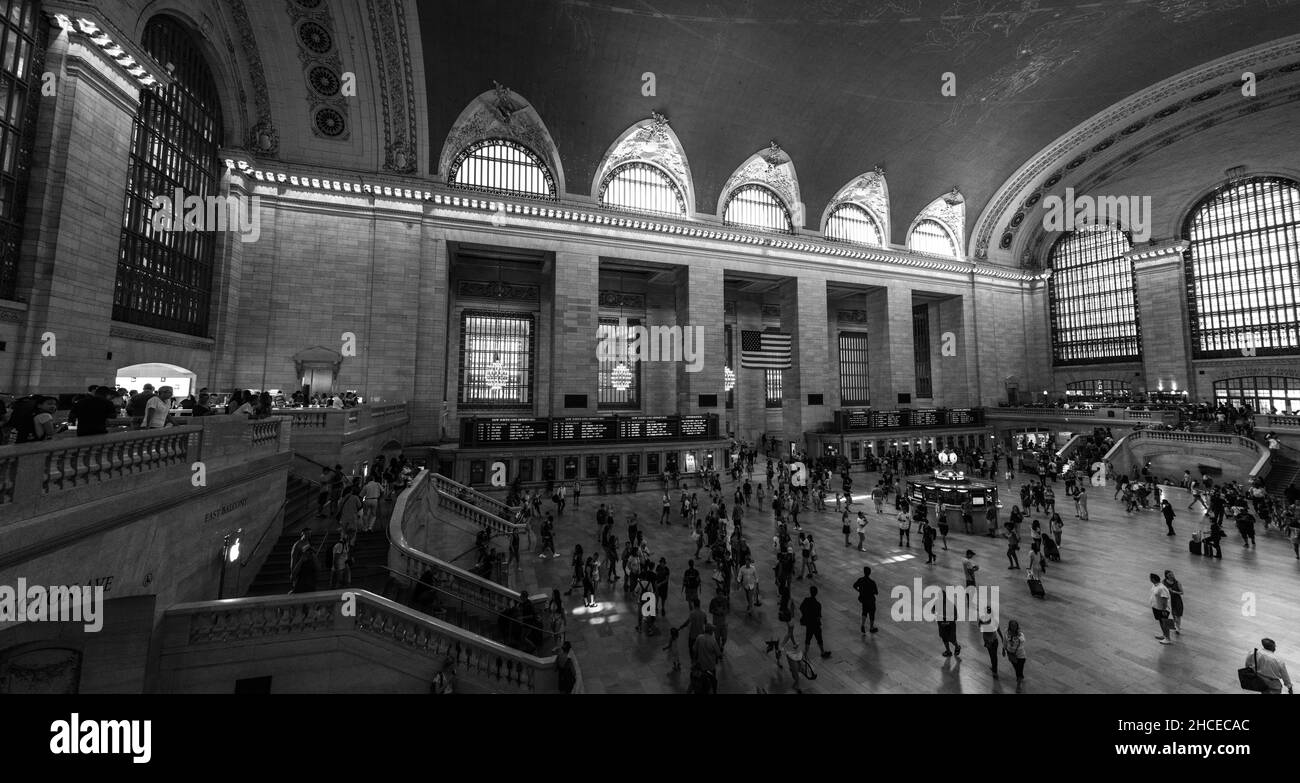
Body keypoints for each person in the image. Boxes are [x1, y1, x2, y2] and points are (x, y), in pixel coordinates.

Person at [798, 585, 831, 659]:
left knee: (808, 638)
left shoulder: (806, 600)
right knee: (819, 638)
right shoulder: (818, 604)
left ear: (810, 592)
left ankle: (805, 653)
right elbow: (819, 616)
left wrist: (805, 616)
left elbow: (801, 608)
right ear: (816, 593)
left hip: (809, 623)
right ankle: (822, 652)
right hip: (816, 624)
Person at [693, 625, 722, 694]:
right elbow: (719, 654)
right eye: (712, 630)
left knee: (700, 681)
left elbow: (694, 649)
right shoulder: (713, 640)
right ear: (711, 631)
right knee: (714, 680)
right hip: (710, 666)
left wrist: (694, 660)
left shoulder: (699, 637)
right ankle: (714, 691)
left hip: (701, 666)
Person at [853, 566, 879, 634]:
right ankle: (871, 627)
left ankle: (862, 625)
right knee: (872, 613)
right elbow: (876, 592)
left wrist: (859, 591)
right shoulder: (872, 582)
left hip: (863, 599)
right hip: (871, 600)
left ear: (864, 572)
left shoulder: (860, 580)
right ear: (870, 573)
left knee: (864, 612)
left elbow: (854, 586)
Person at [1149, 573, 1173, 645]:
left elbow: (1165, 599)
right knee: (1161, 622)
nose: (1149, 579)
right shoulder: (1155, 585)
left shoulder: (1161, 588)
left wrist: (1164, 609)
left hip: (1162, 609)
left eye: (1150, 578)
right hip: (1156, 608)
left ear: (1153, 579)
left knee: (1165, 623)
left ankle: (1168, 639)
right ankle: (1164, 635)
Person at [980, 606, 1001, 678]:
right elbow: (980, 627)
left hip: (993, 641)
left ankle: (995, 671)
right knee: (991, 655)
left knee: (994, 655)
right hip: (987, 641)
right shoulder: (982, 619)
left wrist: (1002, 638)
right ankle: (993, 667)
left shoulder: (994, 620)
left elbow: (998, 629)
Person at [1004, 620, 1027, 684]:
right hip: (1010, 654)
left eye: (1015, 626)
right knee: (1016, 668)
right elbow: (1005, 641)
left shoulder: (1020, 635)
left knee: (1018, 669)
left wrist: (1018, 636)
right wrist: (1004, 649)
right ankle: (1020, 676)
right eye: (1012, 626)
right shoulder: (1006, 632)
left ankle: (1018, 684)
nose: (1013, 627)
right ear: (1009, 626)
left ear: (1017, 627)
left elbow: (1023, 642)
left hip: (1020, 655)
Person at [1163, 570, 1184, 635]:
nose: (1171, 576)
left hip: (1177, 600)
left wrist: (1173, 592)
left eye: (1172, 574)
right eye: (1169, 575)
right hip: (1168, 600)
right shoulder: (1163, 582)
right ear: (1166, 576)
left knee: (1178, 614)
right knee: (1172, 614)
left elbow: (1182, 592)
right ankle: (1173, 626)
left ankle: (1178, 628)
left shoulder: (1177, 582)